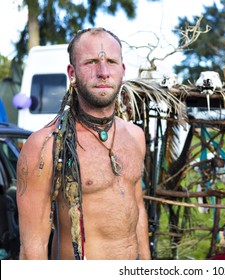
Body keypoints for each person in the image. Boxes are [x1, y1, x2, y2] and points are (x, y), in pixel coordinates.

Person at [16, 27, 151, 260]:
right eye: (90, 62)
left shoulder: (135, 136)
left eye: (111, 61)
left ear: (123, 71)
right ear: (72, 72)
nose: (103, 72)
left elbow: (137, 208)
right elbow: (32, 248)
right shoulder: (45, 145)